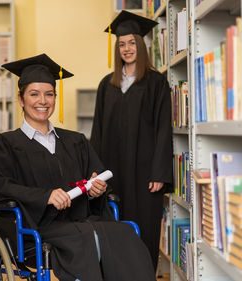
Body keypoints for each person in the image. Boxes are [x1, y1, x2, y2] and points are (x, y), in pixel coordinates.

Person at [0, 54, 156, 281]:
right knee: (85, 239)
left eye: (49, 94)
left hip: (83, 221)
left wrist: (96, 190)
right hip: (38, 228)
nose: (42, 101)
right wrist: (45, 196)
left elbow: (96, 179)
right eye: (34, 94)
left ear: (55, 98)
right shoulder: (6, 144)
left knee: (124, 232)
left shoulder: (76, 141)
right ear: (21, 99)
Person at [90, 10, 174, 269]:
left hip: (145, 174)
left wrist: (159, 172)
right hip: (112, 172)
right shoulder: (107, 85)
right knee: (113, 227)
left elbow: (163, 129)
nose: (127, 49)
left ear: (141, 45)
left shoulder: (156, 83)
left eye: (132, 43)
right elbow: (98, 130)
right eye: (122, 44)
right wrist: (94, 171)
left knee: (144, 228)